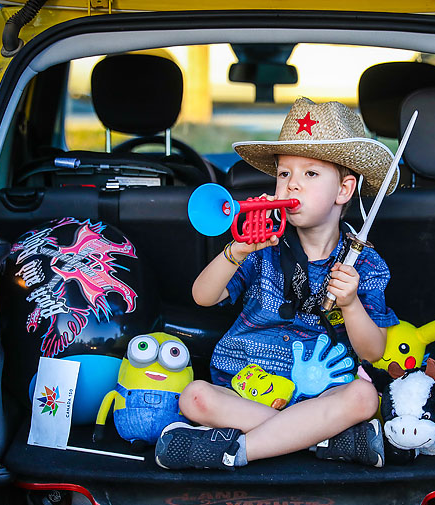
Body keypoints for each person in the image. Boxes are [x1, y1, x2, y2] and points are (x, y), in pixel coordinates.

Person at [154, 97, 400, 470]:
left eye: (310, 174)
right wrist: (236, 251)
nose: (291, 185)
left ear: (344, 190)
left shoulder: (364, 263)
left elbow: (372, 351)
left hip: (321, 396)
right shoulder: (262, 247)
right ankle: (321, 442)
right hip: (247, 387)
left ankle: (234, 452)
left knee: (364, 397)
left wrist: (350, 304)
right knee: (195, 397)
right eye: (284, 174)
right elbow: (203, 296)